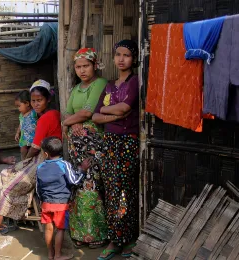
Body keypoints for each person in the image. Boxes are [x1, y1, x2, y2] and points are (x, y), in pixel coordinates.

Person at [0, 79, 63, 234]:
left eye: (39, 100)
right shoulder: (43, 116)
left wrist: (26, 161)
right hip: (41, 157)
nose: (35, 104)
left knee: (12, 182)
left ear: (48, 99)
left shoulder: (46, 118)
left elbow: (35, 147)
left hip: (46, 160)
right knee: (4, 174)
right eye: (33, 101)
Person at [92, 40, 140, 260]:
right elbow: (95, 115)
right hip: (110, 142)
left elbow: (125, 107)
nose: (121, 59)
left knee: (125, 191)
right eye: (118, 55)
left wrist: (109, 111)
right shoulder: (110, 85)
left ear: (134, 58)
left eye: (127, 55)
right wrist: (113, 113)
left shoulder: (135, 82)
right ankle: (114, 240)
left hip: (127, 142)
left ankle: (127, 239)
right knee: (111, 190)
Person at [61, 47, 108, 249]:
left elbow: (88, 112)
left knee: (92, 185)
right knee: (78, 185)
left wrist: (68, 123)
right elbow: (68, 113)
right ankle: (79, 233)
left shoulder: (100, 84)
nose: (82, 70)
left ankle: (96, 234)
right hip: (76, 150)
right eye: (78, 67)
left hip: (94, 146)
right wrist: (73, 122)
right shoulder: (76, 89)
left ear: (94, 65)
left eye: (86, 66)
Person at [36, 137, 90, 260]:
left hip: (46, 203)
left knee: (48, 229)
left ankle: (50, 254)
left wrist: (41, 202)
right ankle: (58, 255)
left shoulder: (40, 168)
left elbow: (37, 188)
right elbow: (74, 180)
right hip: (60, 204)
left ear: (45, 154)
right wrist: (82, 169)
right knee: (60, 230)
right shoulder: (64, 165)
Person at [14, 90, 38, 160]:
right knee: (23, 149)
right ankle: (23, 161)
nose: (18, 108)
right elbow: (20, 124)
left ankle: (32, 162)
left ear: (27, 103)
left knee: (33, 151)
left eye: (19, 106)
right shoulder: (21, 115)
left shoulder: (34, 113)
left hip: (33, 136)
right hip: (24, 136)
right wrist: (18, 133)